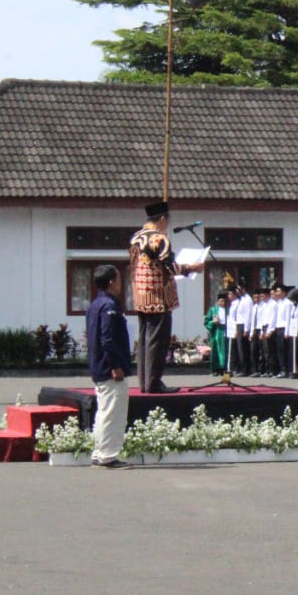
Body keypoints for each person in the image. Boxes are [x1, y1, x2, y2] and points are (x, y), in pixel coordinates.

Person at [128, 200, 204, 392]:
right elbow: (169, 266)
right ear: (163, 219)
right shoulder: (159, 239)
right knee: (158, 343)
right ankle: (154, 383)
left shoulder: (136, 237)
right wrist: (190, 268)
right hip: (158, 296)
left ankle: (144, 382)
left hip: (140, 295)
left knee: (145, 341)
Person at [86, 264, 134, 468]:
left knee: (104, 411)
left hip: (99, 365)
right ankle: (108, 455)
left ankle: (100, 451)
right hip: (109, 368)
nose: (122, 284)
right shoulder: (109, 306)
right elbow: (107, 338)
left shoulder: (95, 304)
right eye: (120, 280)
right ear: (112, 282)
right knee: (113, 413)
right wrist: (115, 365)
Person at [204, 292, 228, 375]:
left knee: (225, 350)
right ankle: (215, 369)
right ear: (218, 301)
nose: (223, 303)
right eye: (221, 301)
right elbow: (206, 322)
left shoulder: (228, 310)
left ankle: (223, 368)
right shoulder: (213, 310)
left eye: (224, 301)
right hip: (217, 331)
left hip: (225, 330)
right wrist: (213, 322)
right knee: (216, 350)